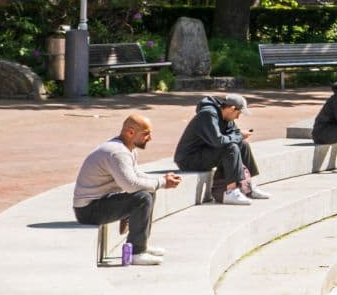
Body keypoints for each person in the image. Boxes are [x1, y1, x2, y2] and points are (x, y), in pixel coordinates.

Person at [75, 116, 180, 267]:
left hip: (99, 202)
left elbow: (136, 175)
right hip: (88, 210)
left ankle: (141, 244)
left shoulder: (127, 148)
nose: (150, 138)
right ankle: (136, 253)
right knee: (142, 198)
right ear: (130, 132)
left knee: (149, 191)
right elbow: (130, 185)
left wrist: (161, 179)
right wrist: (162, 182)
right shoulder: (117, 152)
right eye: (146, 134)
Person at [174, 92, 262, 205]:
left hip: (204, 152)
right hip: (189, 159)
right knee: (230, 147)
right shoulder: (208, 114)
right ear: (232, 108)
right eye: (238, 113)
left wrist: (239, 136)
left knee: (243, 144)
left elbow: (234, 132)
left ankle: (249, 187)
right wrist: (239, 136)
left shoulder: (226, 117)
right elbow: (218, 141)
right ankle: (230, 192)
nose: (238, 117)